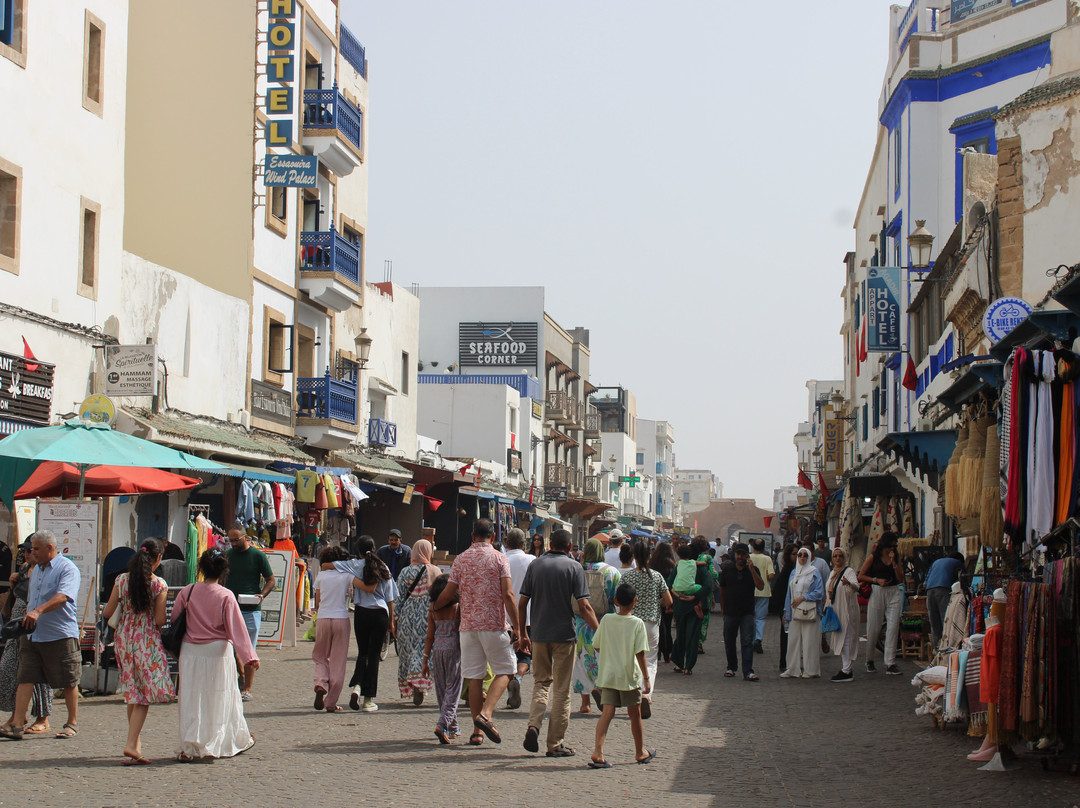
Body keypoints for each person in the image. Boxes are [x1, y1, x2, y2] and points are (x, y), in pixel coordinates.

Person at [431, 519, 521, 747]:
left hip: (468, 628)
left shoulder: (460, 559)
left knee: (475, 678)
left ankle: (476, 733)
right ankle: (486, 713)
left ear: (472, 536)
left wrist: (434, 606)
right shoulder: (500, 558)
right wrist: (518, 627)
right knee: (507, 670)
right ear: (492, 537)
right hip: (493, 624)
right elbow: (509, 595)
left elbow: (449, 592)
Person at [517, 528, 598, 757]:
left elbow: (522, 603)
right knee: (562, 690)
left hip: (539, 634)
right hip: (564, 635)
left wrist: (523, 632)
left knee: (541, 683)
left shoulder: (535, 565)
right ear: (570, 547)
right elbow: (584, 607)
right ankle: (554, 743)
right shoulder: (574, 567)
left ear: (549, 543)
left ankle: (534, 725)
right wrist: (599, 632)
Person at [173, 549, 258, 761]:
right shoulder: (225, 596)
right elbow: (237, 629)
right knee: (220, 697)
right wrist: (249, 656)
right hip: (218, 652)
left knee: (191, 697)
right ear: (224, 571)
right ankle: (217, 739)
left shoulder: (187, 592)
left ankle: (189, 744)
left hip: (190, 652)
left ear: (200, 568)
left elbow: (175, 618)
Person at [0, 531, 81, 741]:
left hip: (59, 633)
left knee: (68, 678)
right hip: (32, 634)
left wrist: (38, 612)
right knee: (25, 676)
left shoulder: (67, 569)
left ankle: (71, 723)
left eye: (35, 549)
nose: (31, 553)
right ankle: (17, 723)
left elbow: (63, 596)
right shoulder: (35, 570)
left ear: (50, 548)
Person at [102, 538, 174, 763]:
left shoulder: (121, 580)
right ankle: (131, 744)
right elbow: (160, 619)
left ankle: (136, 742)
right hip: (147, 640)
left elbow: (107, 613)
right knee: (143, 695)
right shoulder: (159, 584)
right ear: (158, 558)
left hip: (124, 638)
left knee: (132, 690)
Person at [587, 583, 656, 768]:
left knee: (607, 713)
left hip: (609, 674)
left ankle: (598, 751)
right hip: (628, 676)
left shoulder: (607, 620)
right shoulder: (637, 623)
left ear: (615, 600)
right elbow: (640, 653)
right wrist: (646, 678)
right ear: (636, 601)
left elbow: (597, 644)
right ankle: (640, 751)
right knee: (635, 714)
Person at [334, 536, 398, 713]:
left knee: (363, 653)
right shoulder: (382, 567)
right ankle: (368, 699)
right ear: (374, 548)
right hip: (380, 613)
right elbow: (390, 598)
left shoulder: (354, 566)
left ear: (359, 551)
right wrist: (392, 622)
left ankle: (357, 687)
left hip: (361, 612)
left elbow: (329, 566)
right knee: (374, 655)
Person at [0, 540, 52, 736]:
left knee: (36, 674)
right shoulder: (22, 570)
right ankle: (17, 716)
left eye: (31, 550)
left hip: (35, 627)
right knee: (9, 668)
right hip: (16, 628)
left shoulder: (43, 572)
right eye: (25, 551)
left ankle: (42, 718)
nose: (27, 554)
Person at [619, 541, 671, 716]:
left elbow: (620, 598)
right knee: (649, 660)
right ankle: (646, 694)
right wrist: (656, 604)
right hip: (650, 624)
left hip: (631, 623)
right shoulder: (656, 577)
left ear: (633, 557)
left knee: (631, 659)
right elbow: (669, 600)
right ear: (649, 556)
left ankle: (630, 694)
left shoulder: (626, 577)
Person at [225, 527, 275, 702]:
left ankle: (247, 688)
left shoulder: (257, 556)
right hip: (230, 608)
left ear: (245, 537)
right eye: (231, 540)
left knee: (249, 650)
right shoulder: (228, 555)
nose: (234, 543)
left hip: (251, 609)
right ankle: (240, 676)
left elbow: (271, 579)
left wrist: (262, 595)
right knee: (229, 648)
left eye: (237, 539)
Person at [571, 538, 621, 712]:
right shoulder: (612, 572)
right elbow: (616, 598)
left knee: (580, 661)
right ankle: (600, 689)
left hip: (579, 623)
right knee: (602, 659)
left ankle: (585, 703)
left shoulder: (577, 570)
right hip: (604, 621)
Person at [393, 539, 440, 706]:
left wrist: (395, 619)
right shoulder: (435, 571)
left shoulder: (405, 572)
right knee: (423, 650)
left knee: (407, 651)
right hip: (427, 617)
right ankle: (421, 684)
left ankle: (412, 686)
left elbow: (398, 598)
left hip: (407, 616)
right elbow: (440, 596)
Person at [311, 545, 352, 712]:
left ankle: (320, 682)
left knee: (320, 656)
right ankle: (331, 702)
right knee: (338, 660)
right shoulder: (346, 575)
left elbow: (318, 602)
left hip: (323, 617)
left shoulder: (321, 575)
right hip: (341, 617)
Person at [858, 531, 905, 675]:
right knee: (874, 628)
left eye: (894, 546)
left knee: (893, 626)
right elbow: (861, 575)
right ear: (884, 545)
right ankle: (869, 659)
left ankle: (890, 663)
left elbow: (901, 578)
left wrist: (895, 564)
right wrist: (876, 580)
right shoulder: (874, 557)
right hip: (877, 591)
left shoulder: (896, 557)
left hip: (893, 591)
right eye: (890, 546)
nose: (892, 548)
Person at [422, 574, 461, 744]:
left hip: (437, 649)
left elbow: (429, 636)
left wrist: (425, 659)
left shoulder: (433, 608)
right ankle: (443, 723)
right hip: (455, 650)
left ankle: (453, 728)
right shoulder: (458, 608)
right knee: (453, 689)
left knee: (442, 689)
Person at [717, 542, 765, 681]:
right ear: (735, 555)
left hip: (747, 612)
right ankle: (731, 667)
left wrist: (752, 570)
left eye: (743, 554)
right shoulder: (728, 570)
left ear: (747, 556)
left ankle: (748, 671)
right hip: (730, 612)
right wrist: (723, 608)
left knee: (747, 641)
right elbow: (722, 590)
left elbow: (761, 586)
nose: (740, 557)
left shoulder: (753, 569)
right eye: (738, 554)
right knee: (729, 640)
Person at [503, 528, 534, 710]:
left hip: (504, 617)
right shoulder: (532, 561)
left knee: (506, 655)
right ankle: (519, 677)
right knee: (525, 654)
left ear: (507, 543)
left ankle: (510, 684)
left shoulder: (502, 559)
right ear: (524, 544)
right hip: (527, 616)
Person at [667, 544, 711, 675]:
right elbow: (708, 587)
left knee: (681, 634)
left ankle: (679, 663)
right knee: (692, 636)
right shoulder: (702, 568)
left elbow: (669, 584)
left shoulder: (678, 566)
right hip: (696, 606)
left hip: (680, 605)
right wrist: (694, 597)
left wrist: (677, 595)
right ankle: (688, 666)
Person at [781, 547, 824, 679]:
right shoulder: (794, 573)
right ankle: (792, 668)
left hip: (809, 611)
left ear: (810, 557)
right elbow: (789, 593)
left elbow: (819, 592)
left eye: (805, 555)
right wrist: (786, 611)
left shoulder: (814, 572)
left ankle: (811, 670)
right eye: (800, 555)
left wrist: (803, 597)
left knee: (810, 640)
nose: (802, 557)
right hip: (795, 611)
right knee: (793, 640)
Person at [825, 546, 860, 682]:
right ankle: (846, 667)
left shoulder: (849, 571)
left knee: (847, 639)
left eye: (840, 556)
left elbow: (857, 587)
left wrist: (848, 583)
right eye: (835, 556)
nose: (838, 558)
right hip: (836, 611)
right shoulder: (832, 573)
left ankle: (847, 670)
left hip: (848, 611)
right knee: (841, 638)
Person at [924, 552, 964, 648]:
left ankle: (936, 648)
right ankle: (946, 647)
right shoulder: (958, 563)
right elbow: (964, 581)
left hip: (929, 590)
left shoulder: (936, 562)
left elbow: (925, 582)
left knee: (934, 621)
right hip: (943, 589)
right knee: (945, 619)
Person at [770, 542, 798, 671]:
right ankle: (785, 662)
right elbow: (780, 592)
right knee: (786, 636)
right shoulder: (788, 570)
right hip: (787, 610)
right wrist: (783, 611)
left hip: (797, 609)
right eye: (794, 554)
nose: (797, 557)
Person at [649, 542, 677, 664]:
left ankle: (658, 652)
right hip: (669, 598)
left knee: (658, 625)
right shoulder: (673, 566)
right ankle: (667, 653)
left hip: (655, 599)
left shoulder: (652, 565)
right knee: (667, 624)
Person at [748, 539, 776, 654]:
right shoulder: (767, 559)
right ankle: (758, 639)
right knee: (760, 618)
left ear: (753, 546)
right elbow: (771, 576)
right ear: (764, 548)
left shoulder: (749, 558)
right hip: (764, 591)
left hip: (749, 591)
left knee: (750, 617)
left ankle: (750, 639)